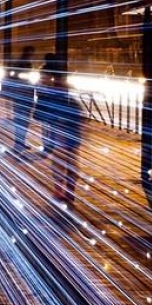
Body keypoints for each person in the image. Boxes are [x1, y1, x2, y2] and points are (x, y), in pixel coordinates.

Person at [51, 74, 85, 206]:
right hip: (73, 138)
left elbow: (52, 118)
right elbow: (81, 118)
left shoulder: (56, 102)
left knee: (58, 165)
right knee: (72, 165)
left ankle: (59, 191)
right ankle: (70, 191)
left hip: (61, 138)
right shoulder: (74, 102)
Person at [1, 45, 37, 156]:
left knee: (23, 121)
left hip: (22, 96)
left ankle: (20, 142)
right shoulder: (23, 63)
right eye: (31, 53)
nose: (32, 55)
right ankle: (18, 144)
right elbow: (19, 78)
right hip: (23, 96)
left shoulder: (24, 63)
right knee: (22, 121)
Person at [34, 53, 63, 153]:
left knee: (45, 124)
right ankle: (52, 143)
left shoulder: (43, 69)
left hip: (44, 99)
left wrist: (39, 91)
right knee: (53, 123)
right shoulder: (58, 71)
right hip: (54, 99)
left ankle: (46, 144)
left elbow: (40, 84)